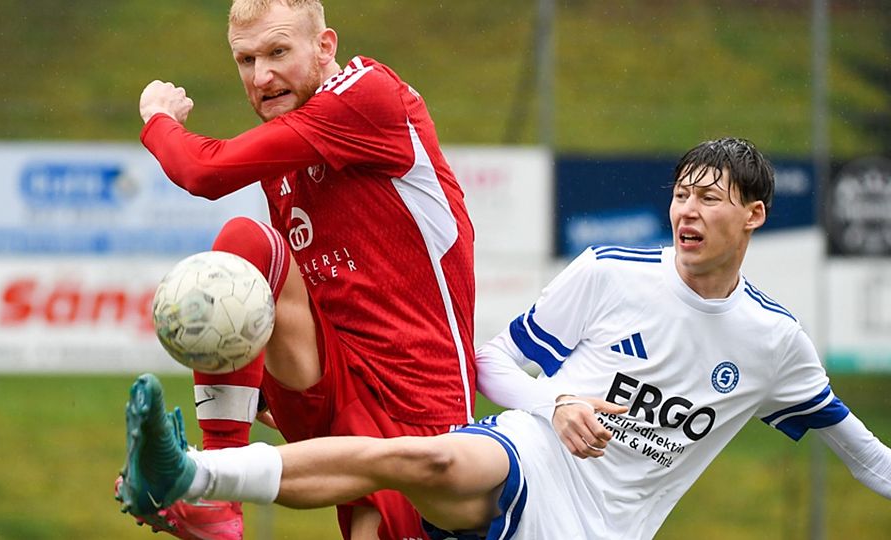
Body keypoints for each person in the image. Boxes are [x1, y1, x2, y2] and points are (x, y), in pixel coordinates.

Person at [118, 138, 891, 539]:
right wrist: (556, 404)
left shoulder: (774, 342)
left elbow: (862, 453)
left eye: (711, 199)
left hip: (597, 527)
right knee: (413, 457)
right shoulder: (612, 272)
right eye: (681, 193)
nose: (688, 210)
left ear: (753, 216)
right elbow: (492, 361)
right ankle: (194, 476)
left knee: (385, 456)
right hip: (527, 455)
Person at [119, 0, 477, 539]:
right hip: (335, 375)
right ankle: (215, 489)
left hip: (417, 399)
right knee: (244, 241)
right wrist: (253, 387)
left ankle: (205, 480)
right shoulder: (289, 148)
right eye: (246, 60)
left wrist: (158, 118)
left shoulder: (365, 96)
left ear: (325, 46)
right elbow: (295, 289)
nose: (262, 76)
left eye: (278, 52)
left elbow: (204, 171)